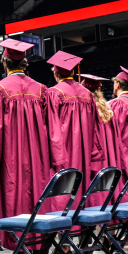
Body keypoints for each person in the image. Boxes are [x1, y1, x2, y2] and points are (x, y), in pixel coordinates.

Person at [0, 39, 51, 254]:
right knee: (36, 199)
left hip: (11, 158)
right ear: (25, 63)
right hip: (39, 158)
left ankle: (22, 252)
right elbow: (50, 128)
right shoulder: (42, 90)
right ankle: (37, 251)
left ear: (5, 62)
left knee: (16, 200)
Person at [43, 50, 101, 210]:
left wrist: (54, 158)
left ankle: (64, 231)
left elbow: (52, 129)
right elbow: (95, 130)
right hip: (84, 154)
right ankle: (82, 231)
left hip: (63, 155)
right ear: (74, 71)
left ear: (56, 73)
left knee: (63, 193)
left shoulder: (54, 93)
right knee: (82, 189)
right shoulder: (88, 95)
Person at [80, 74, 119, 207]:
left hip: (96, 159)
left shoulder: (87, 112)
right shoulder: (109, 111)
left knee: (95, 194)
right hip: (109, 159)